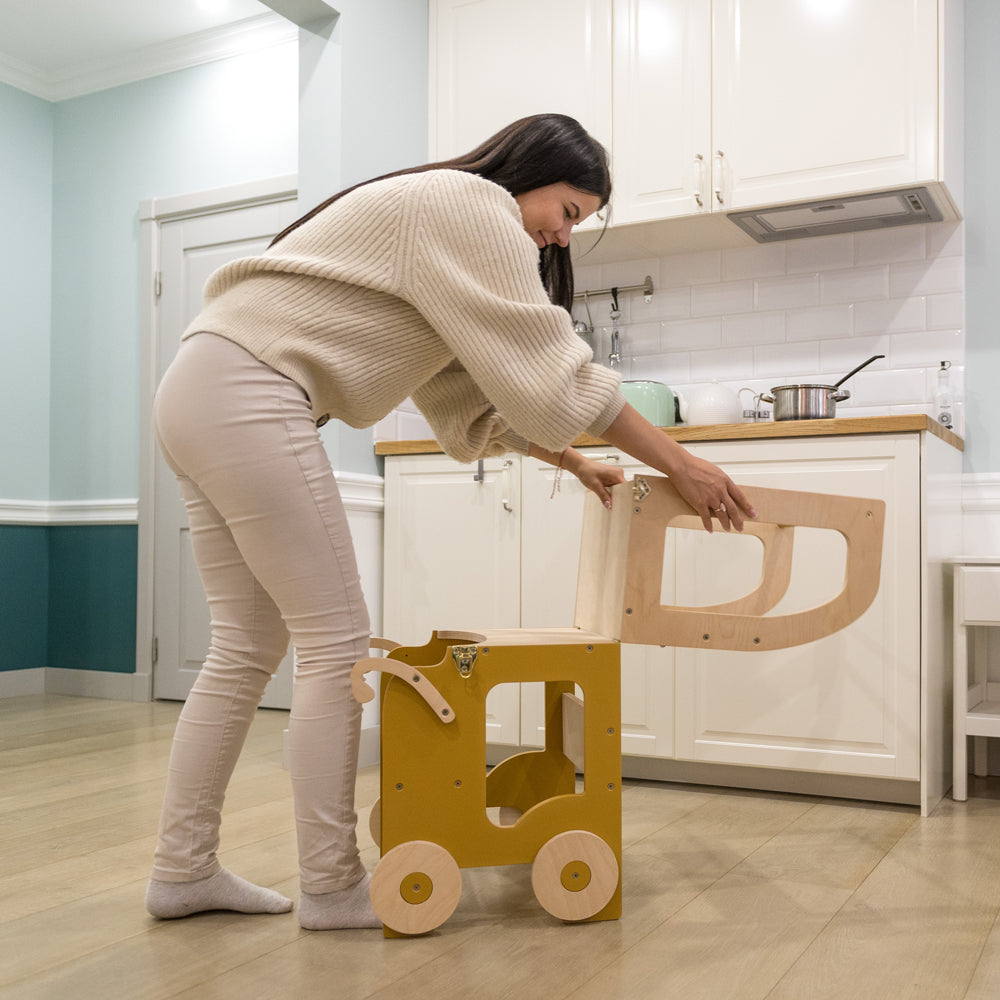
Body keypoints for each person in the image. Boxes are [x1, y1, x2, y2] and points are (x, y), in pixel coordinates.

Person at [145, 113, 755, 931]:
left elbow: (470, 400)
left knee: (246, 646)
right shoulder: (473, 206)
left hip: (200, 387)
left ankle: (182, 870)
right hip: (249, 392)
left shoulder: (444, 223)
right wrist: (679, 461)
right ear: (532, 172)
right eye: (568, 211)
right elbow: (553, 374)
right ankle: (331, 886)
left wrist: (573, 461)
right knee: (334, 643)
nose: (562, 237)